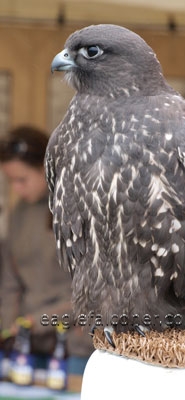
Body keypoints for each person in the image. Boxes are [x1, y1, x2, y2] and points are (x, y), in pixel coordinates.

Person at [0, 125, 93, 385]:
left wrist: (38, 321)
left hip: (73, 345)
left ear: (45, 168)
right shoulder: (18, 214)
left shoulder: (77, 211)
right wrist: (12, 326)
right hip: (27, 345)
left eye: (22, 179)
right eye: (11, 181)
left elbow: (93, 295)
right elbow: (10, 282)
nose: (17, 189)